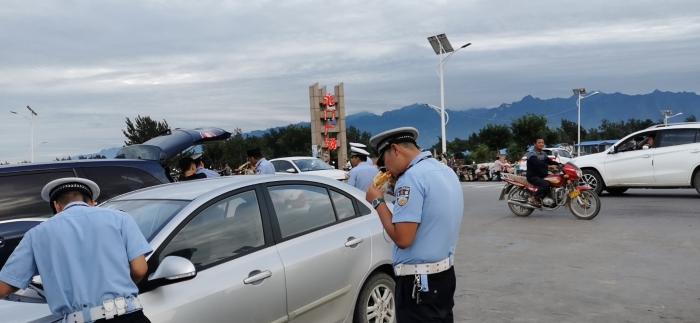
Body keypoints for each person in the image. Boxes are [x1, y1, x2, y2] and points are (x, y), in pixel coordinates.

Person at [0, 178, 152, 323]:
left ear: (57, 205)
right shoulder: (121, 219)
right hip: (128, 316)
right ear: (91, 202)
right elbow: (139, 269)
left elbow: (4, 286)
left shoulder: (36, 234)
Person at [366, 127, 463, 322]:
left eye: (384, 162)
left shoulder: (410, 179)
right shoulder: (443, 169)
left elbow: (403, 238)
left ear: (395, 149)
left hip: (419, 282)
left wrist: (377, 202)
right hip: (444, 275)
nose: (386, 170)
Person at [526, 138, 559, 207]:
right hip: (533, 176)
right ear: (535, 144)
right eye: (539, 143)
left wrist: (561, 164)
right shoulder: (531, 153)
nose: (541, 144)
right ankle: (534, 198)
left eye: (542, 142)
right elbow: (537, 162)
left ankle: (548, 198)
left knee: (553, 180)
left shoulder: (543, 153)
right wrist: (548, 166)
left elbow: (550, 161)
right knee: (545, 184)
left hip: (542, 175)